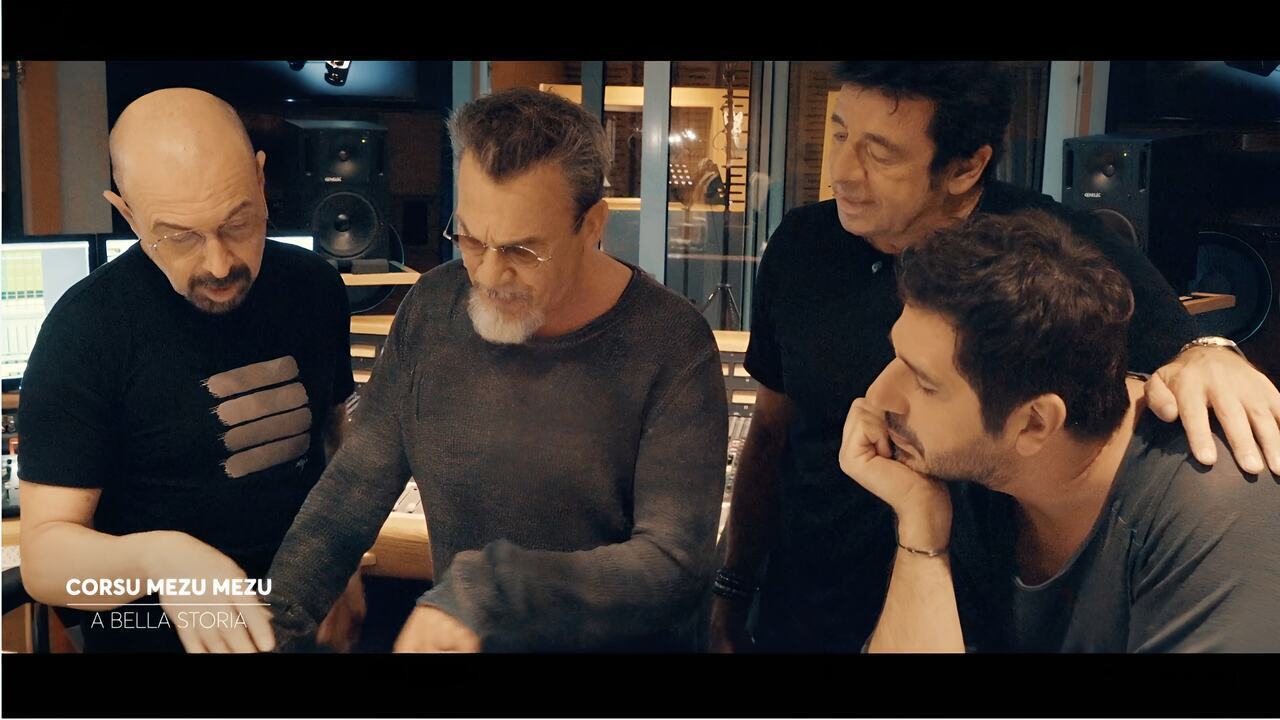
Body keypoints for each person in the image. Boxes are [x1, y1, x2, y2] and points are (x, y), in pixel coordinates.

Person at [712, 61, 1280, 652]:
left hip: (967, 611)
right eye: (838, 134)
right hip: (806, 604)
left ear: (966, 167)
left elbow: (1186, 350)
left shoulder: (1043, 253)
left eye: (879, 153)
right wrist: (731, 588)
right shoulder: (802, 243)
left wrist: (1213, 353)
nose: (842, 172)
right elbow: (770, 432)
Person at [265, 87, 728, 652]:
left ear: (592, 225)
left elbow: (673, 566)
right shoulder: (432, 309)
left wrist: (492, 591)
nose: (486, 274)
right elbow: (351, 490)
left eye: (521, 251)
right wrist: (276, 618)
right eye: (469, 238)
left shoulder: (672, 344)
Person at [18, 88, 363, 653]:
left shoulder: (314, 287)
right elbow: (45, 565)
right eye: (179, 237)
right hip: (156, 636)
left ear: (260, 179)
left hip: (299, 623)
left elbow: (332, 436)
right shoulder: (86, 330)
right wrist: (161, 559)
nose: (219, 264)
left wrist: (341, 558)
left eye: (237, 223)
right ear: (128, 214)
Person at [841, 209, 1280, 652]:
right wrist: (921, 529)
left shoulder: (1211, 510)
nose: (878, 396)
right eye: (897, 356)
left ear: (1035, 423)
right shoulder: (966, 472)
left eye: (924, 383)